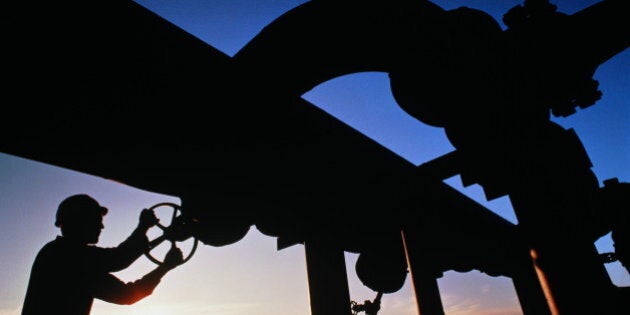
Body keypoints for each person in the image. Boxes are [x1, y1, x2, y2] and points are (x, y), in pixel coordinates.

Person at [21, 194, 184, 315]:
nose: (101, 226)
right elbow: (119, 261)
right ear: (80, 221)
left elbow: (125, 293)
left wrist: (165, 266)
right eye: (96, 220)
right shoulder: (64, 255)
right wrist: (143, 229)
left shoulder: (58, 253)